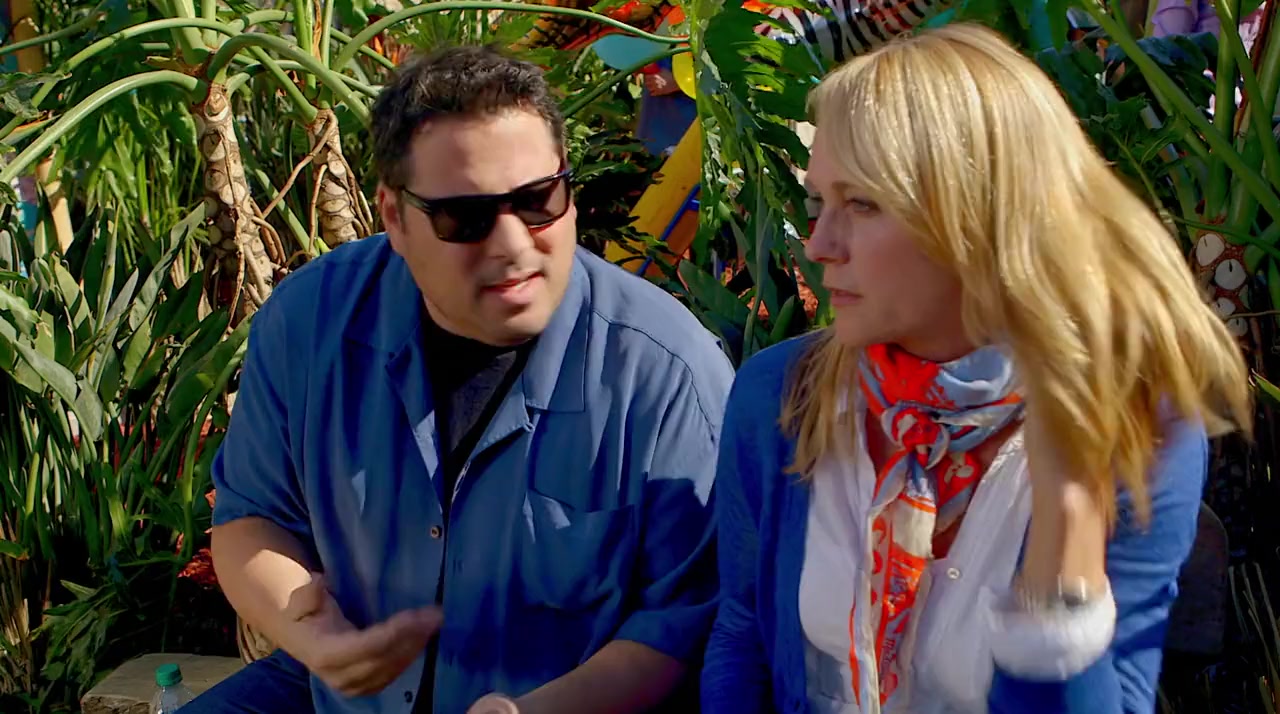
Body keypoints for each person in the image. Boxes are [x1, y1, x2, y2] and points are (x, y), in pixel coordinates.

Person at [701, 23, 1252, 714]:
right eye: (820, 202)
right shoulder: (784, 395)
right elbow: (744, 635)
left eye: (862, 203)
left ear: (980, 218)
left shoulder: (1136, 422)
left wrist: (1065, 527)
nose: (819, 244)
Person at [190, 44, 735, 714]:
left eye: (538, 201)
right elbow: (250, 520)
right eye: (466, 217)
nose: (512, 244)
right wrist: (317, 638)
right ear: (394, 217)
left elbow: (681, 627)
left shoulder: (668, 373)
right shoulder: (310, 322)